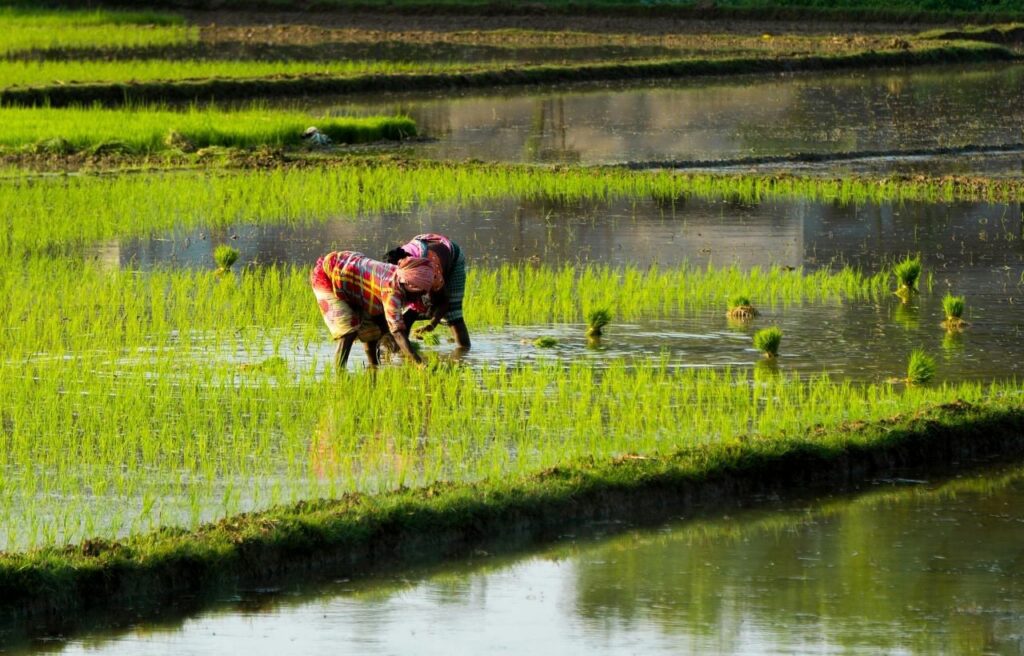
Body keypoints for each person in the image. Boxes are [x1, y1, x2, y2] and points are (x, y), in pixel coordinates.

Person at [310, 250, 437, 370]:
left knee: (372, 330)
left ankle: (373, 367)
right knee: (348, 331)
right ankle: (339, 374)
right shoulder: (392, 289)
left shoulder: (403, 278)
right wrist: (419, 363)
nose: (419, 297)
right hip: (329, 274)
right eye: (418, 293)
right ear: (410, 285)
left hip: (354, 280)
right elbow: (397, 331)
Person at [384, 233, 471, 350]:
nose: (419, 297)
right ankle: (399, 350)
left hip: (450, 257)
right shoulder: (393, 270)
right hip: (421, 249)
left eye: (422, 293)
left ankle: (464, 352)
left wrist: (433, 323)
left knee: (453, 315)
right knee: (406, 314)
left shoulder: (431, 272)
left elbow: (444, 302)